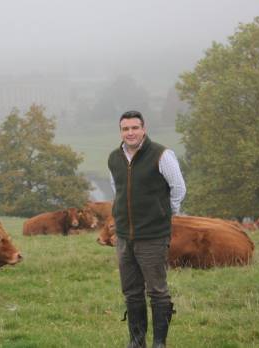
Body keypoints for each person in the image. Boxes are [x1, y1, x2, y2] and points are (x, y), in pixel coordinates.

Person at [108, 110, 186, 348]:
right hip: (124, 237)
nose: (130, 133)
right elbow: (117, 190)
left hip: (152, 236)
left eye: (134, 128)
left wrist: (162, 215)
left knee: (157, 290)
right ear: (120, 131)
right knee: (131, 291)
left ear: (143, 129)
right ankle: (136, 342)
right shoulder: (114, 158)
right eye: (125, 129)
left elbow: (178, 189)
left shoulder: (162, 155)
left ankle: (159, 343)